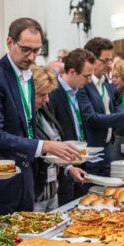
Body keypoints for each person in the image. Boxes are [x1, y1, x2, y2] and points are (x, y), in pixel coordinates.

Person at [0, 17, 82, 219]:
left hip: (25, 180)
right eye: (26, 49)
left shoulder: (28, 77)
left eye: (36, 50)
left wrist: (51, 155)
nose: (31, 56)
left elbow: (26, 128)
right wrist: (44, 146)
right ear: (10, 43)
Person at [31, 65, 86, 212]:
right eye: (42, 94)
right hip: (35, 191)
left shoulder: (46, 108)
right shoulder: (23, 116)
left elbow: (55, 144)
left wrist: (69, 167)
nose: (47, 99)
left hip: (52, 188)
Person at [47, 49, 93, 205]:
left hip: (80, 160)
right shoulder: (52, 94)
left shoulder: (79, 91)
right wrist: (67, 166)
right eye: (87, 76)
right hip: (62, 167)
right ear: (72, 72)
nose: (90, 80)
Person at [80, 37, 117, 177]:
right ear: (91, 59)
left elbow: (115, 104)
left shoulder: (105, 81)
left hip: (107, 146)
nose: (109, 65)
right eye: (105, 61)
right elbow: (92, 118)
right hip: (91, 149)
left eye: (110, 60)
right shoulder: (84, 84)